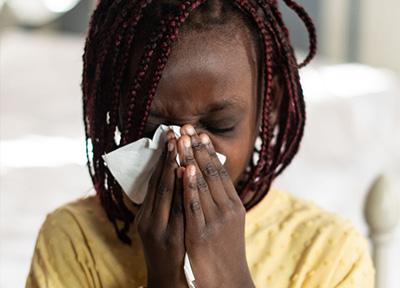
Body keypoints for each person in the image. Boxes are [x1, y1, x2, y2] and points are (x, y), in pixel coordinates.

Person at [26, 0, 375, 287]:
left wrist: (230, 279)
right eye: (151, 127)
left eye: (219, 124)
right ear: (115, 111)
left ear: (267, 108)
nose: (183, 150)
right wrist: (166, 279)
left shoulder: (328, 252)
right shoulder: (74, 241)